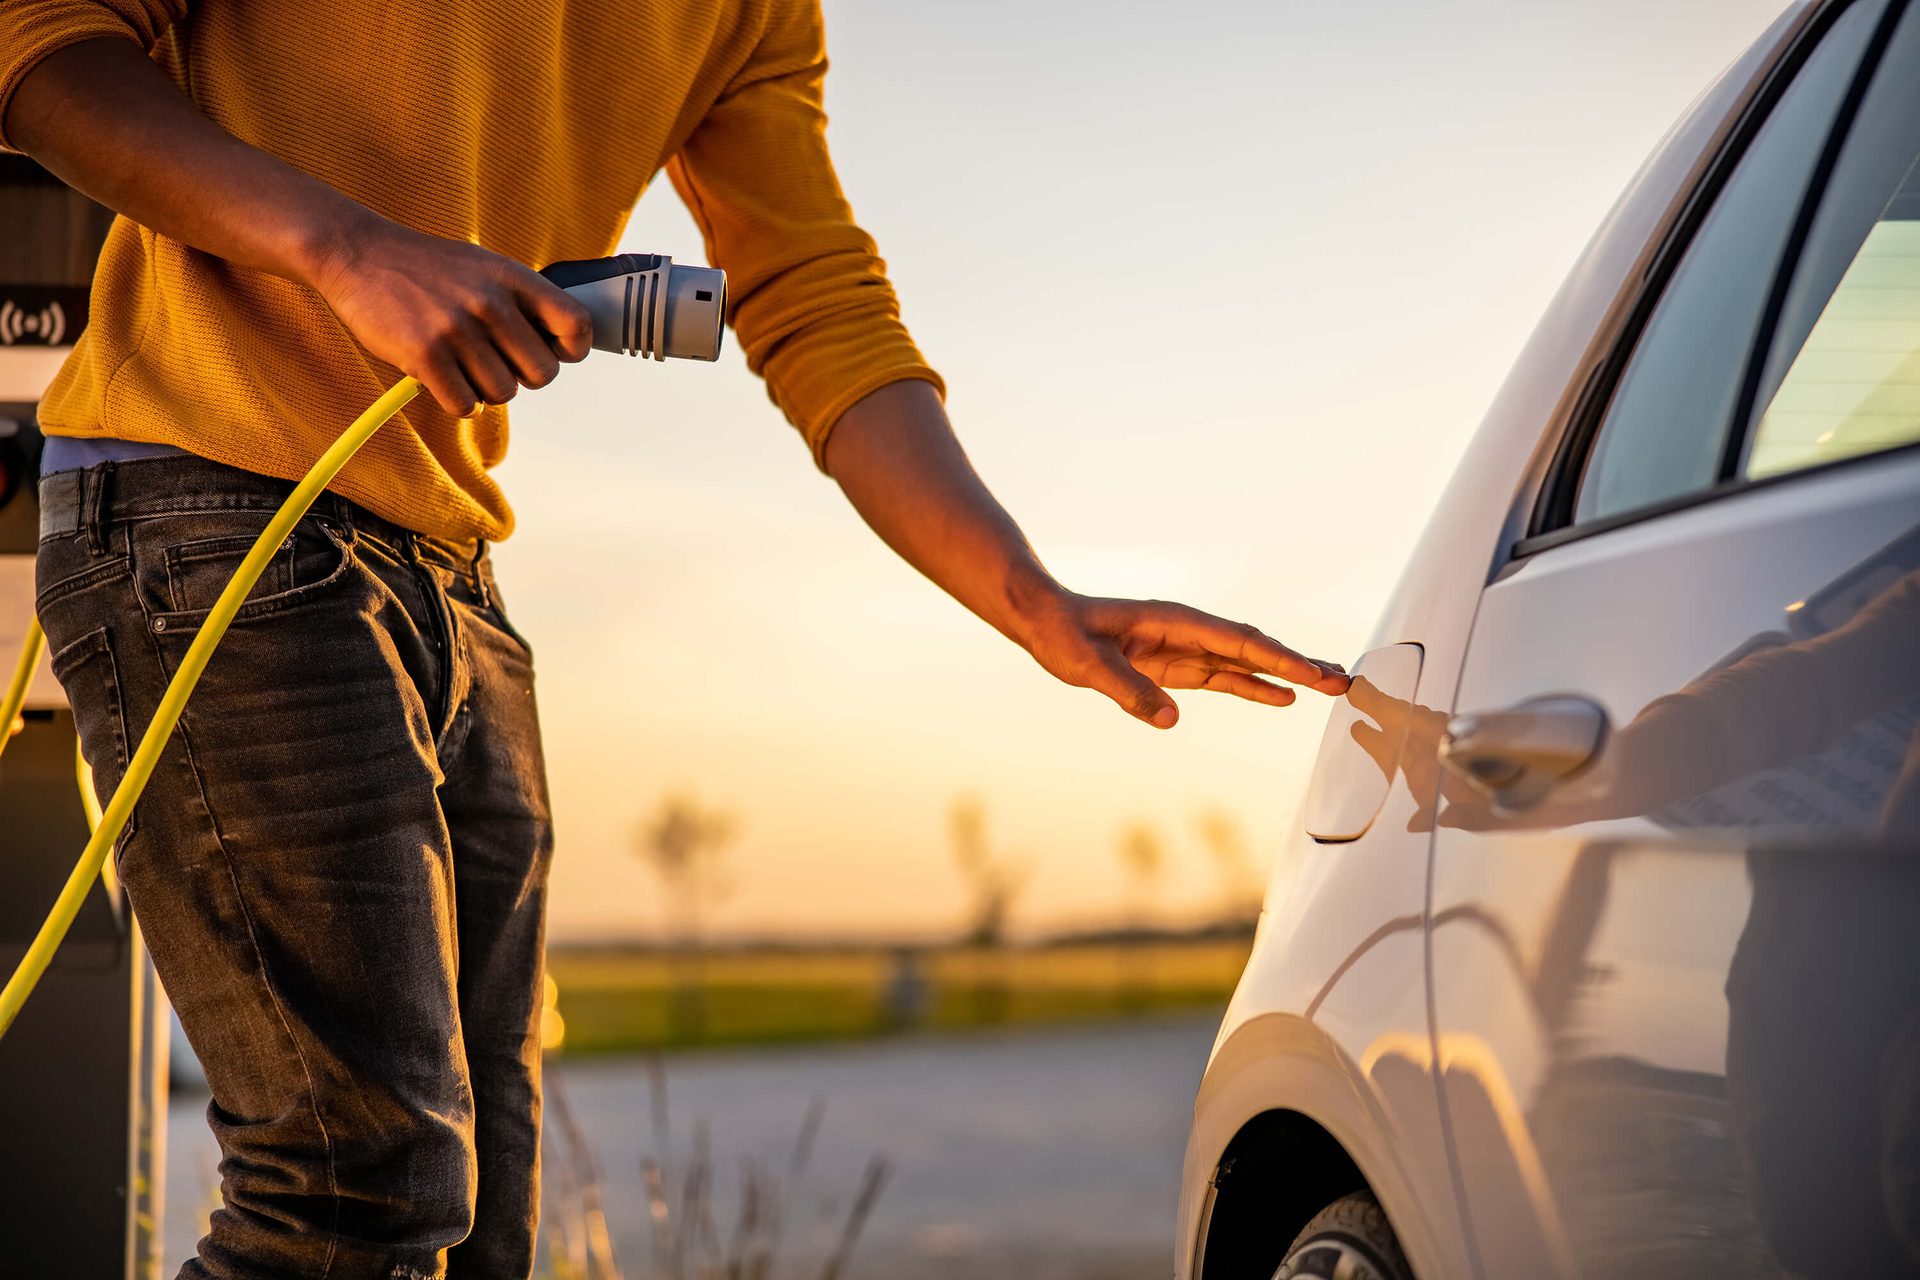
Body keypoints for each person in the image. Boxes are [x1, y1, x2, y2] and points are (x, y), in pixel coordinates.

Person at [0, 4, 1350, 1277]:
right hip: (206, 507)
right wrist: (346, 248)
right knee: (356, 1190)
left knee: (484, 1213)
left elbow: (815, 298)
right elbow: (40, 43)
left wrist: (1031, 599)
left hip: (448, 571)